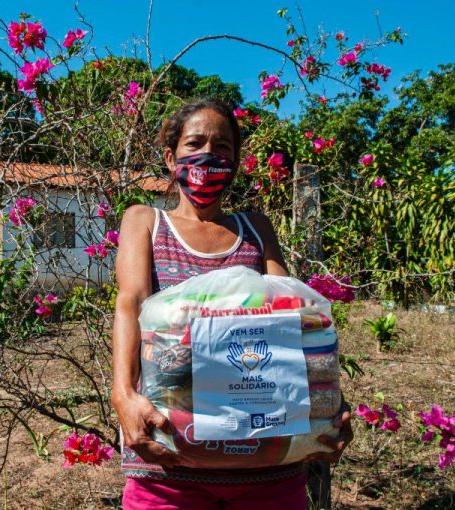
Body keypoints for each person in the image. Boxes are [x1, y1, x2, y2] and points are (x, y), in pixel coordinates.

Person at [111, 98, 353, 509]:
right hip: (169, 465)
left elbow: (293, 318)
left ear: (236, 162)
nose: (208, 154)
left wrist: (326, 403)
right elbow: (130, 305)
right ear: (172, 158)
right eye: (195, 144)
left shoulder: (255, 228)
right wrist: (123, 396)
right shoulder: (145, 221)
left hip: (267, 465)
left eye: (222, 147)